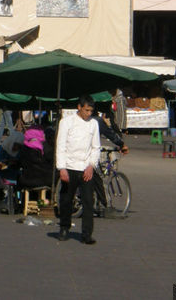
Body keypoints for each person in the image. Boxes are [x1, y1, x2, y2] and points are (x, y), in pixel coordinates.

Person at [56, 96, 101, 244]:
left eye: (91, 111)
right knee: (66, 199)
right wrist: (62, 168)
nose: (88, 113)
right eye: (86, 110)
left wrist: (91, 165)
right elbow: (61, 146)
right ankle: (64, 227)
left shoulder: (94, 124)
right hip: (69, 166)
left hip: (85, 167)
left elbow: (96, 147)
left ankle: (87, 233)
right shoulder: (66, 122)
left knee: (88, 201)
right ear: (79, 107)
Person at [92, 109, 129, 218]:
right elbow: (110, 134)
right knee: (100, 179)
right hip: (89, 155)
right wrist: (121, 144)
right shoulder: (97, 121)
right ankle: (106, 205)